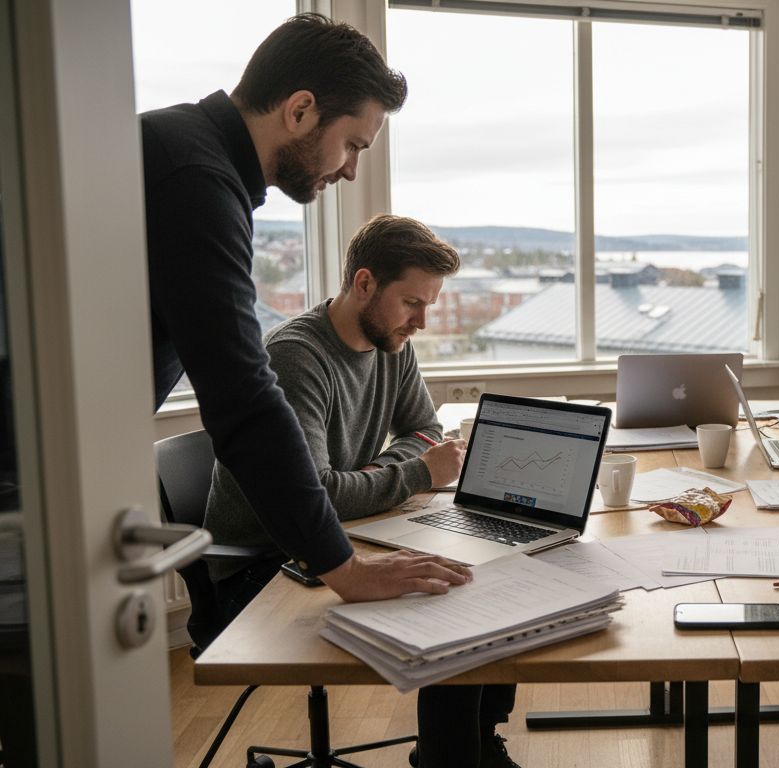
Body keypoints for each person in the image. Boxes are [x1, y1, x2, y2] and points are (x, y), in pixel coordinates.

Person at [139, 14, 468, 605]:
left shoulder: (189, 157)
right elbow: (243, 398)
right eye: (353, 144)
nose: (351, 169)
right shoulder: (195, 180)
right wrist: (346, 570)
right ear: (300, 110)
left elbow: (421, 429)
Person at [205, 214, 518, 767]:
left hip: (349, 532)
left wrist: (380, 474)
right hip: (264, 565)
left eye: (429, 305)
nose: (422, 322)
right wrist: (414, 474)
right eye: (412, 303)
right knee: (450, 606)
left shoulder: (391, 342)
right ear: (365, 283)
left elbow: (425, 430)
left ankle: (474, 745)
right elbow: (319, 496)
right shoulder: (296, 357)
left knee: (478, 576)